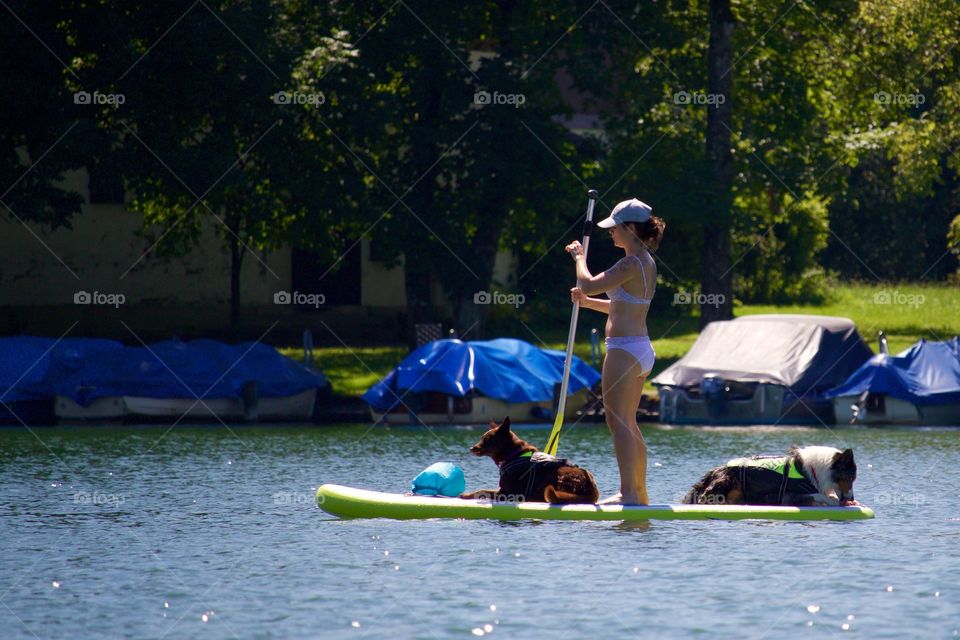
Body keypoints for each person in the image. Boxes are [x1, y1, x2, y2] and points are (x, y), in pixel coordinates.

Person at [565, 198, 665, 505]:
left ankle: (628, 492)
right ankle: (639, 493)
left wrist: (578, 257)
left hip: (623, 351)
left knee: (617, 421)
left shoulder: (629, 263)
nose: (611, 234)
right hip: (640, 350)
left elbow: (589, 282)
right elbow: (620, 306)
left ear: (630, 228)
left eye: (615, 229)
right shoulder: (645, 262)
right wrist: (586, 302)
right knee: (628, 421)